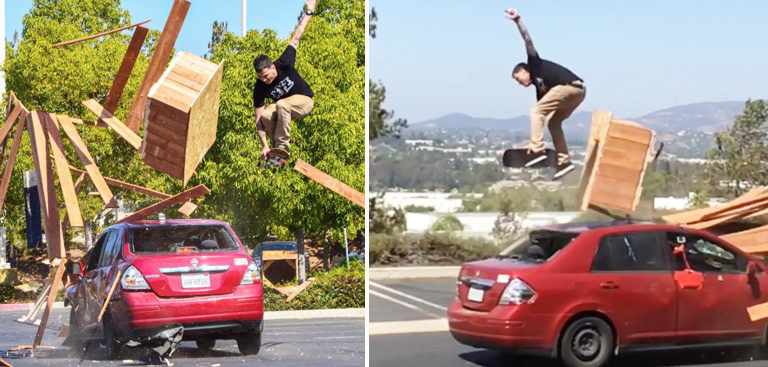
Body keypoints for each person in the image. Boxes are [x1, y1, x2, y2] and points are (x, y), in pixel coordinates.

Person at [506, 8, 586, 180]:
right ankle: (565, 162)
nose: (519, 83)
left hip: (570, 87)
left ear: (525, 70)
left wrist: (518, 21)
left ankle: (537, 150)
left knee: (536, 111)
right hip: (577, 94)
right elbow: (540, 121)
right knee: (553, 123)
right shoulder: (540, 91)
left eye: (518, 78)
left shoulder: (534, 64)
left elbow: (527, 40)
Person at [253, 0, 318, 160]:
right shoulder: (259, 87)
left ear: (273, 67)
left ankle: (282, 145)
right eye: (261, 77)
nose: (265, 80)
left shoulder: (284, 62)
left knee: (282, 104)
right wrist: (264, 145)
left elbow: (297, 35)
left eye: (266, 75)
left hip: (304, 101)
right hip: (285, 110)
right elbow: (258, 120)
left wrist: (309, 12)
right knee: (266, 115)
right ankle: (277, 151)